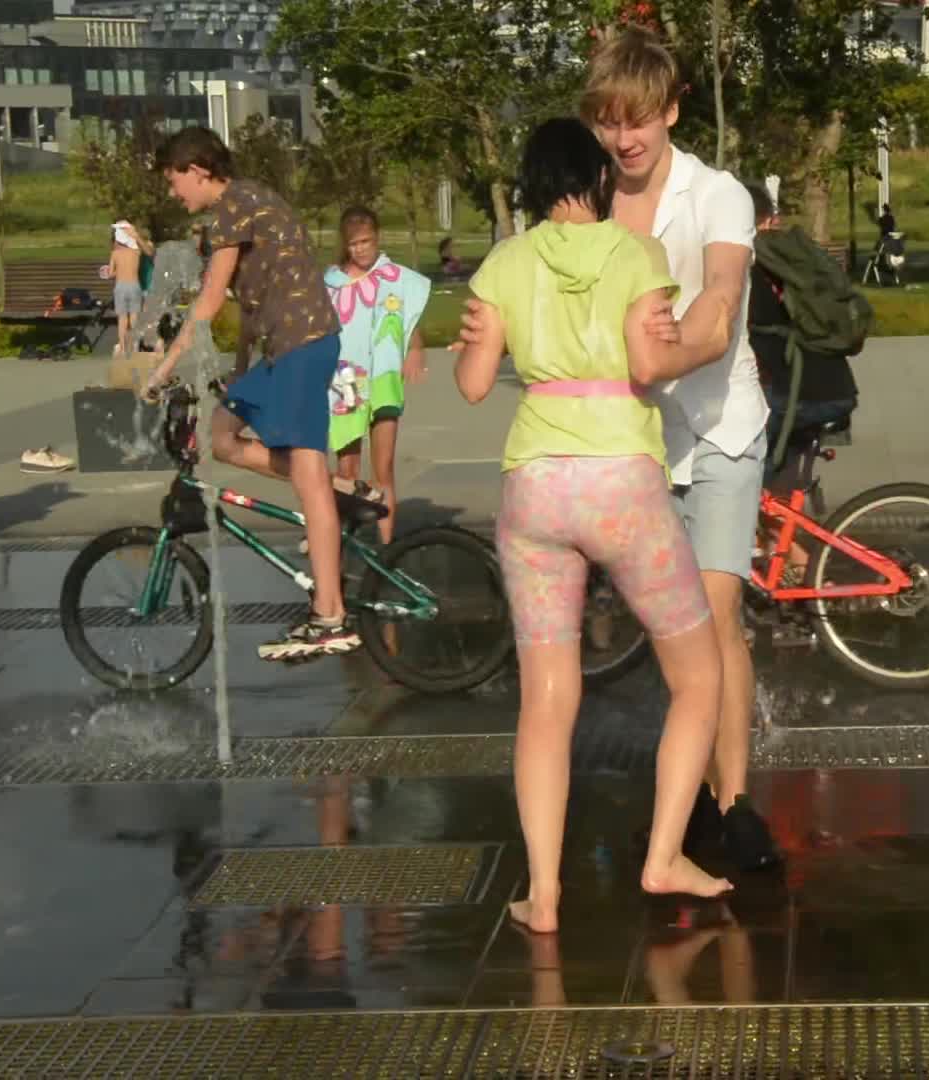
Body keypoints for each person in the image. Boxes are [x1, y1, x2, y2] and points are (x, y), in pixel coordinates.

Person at [452, 116, 731, 933]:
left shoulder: (504, 263)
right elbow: (650, 361)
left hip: (535, 489)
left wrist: (478, 335)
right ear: (598, 177)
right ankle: (664, 856)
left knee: (546, 699)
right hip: (621, 485)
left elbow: (473, 383)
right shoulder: (636, 254)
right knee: (699, 676)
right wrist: (695, 336)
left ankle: (543, 895)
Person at [583, 28, 778, 871]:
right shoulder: (591, 199)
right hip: (638, 439)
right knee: (673, 626)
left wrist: (665, 356)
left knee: (715, 616)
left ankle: (734, 804)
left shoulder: (718, 195)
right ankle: (690, 790)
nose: (623, 138)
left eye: (637, 119)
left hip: (724, 424)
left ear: (670, 111)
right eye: (608, 121)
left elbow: (722, 298)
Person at [142, 125, 355, 662]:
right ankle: (337, 487)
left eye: (173, 180)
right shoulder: (248, 201)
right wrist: (238, 374)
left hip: (302, 344)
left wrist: (163, 368)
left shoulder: (233, 206)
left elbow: (211, 299)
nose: (173, 192)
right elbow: (252, 302)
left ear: (197, 170)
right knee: (222, 435)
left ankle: (330, 616)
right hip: (286, 347)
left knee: (308, 480)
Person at [325, 206, 429, 545]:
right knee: (347, 470)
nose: (361, 249)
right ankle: (339, 545)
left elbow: (407, 318)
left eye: (367, 241)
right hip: (346, 380)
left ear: (377, 237)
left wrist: (415, 348)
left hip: (383, 378)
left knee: (383, 469)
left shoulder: (393, 278)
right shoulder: (331, 283)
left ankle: (387, 548)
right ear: (345, 244)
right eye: (354, 243)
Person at [746, 184, 858, 496]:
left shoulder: (754, 265)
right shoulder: (793, 260)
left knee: (737, 478)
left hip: (799, 395)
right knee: (774, 497)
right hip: (833, 387)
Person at [108, 220, 154, 359]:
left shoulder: (115, 253)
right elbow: (149, 252)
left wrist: (119, 271)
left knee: (122, 319)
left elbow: (110, 274)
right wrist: (135, 236)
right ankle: (134, 347)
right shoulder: (136, 252)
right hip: (135, 286)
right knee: (134, 317)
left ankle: (123, 347)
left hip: (120, 286)